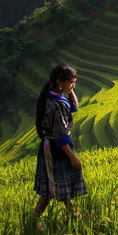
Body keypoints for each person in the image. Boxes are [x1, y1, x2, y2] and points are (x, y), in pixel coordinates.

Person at [33, 64, 85, 219]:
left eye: (74, 83)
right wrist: (73, 157)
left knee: (59, 186)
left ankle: (72, 215)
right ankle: (34, 221)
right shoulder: (55, 105)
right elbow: (61, 135)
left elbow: (74, 106)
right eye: (71, 82)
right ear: (59, 82)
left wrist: (69, 89)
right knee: (51, 189)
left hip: (54, 146)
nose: (73, 86)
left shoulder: (54, 96)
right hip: (57, 149)